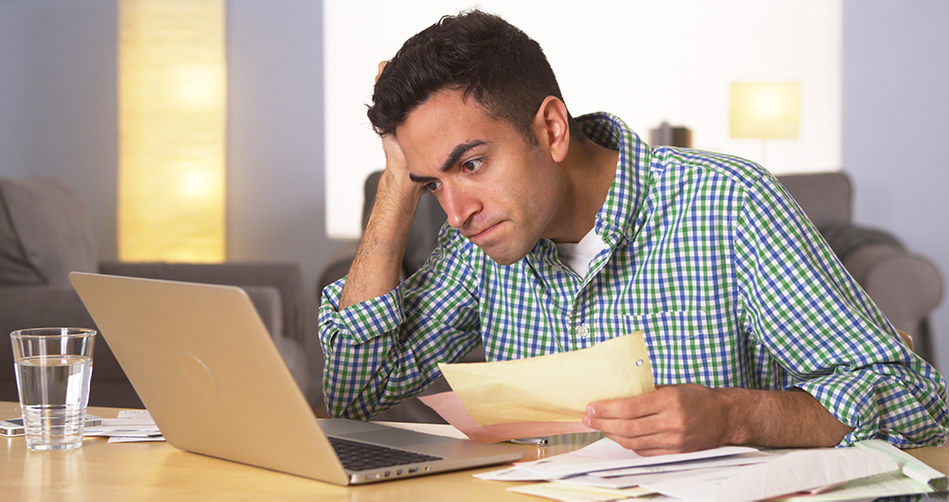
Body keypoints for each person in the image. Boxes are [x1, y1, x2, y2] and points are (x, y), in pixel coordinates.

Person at [319, 9, 948, 455]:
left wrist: (734, 415)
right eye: (435, 183)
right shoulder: (476, 243)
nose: (455, 212)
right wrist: (398, 185)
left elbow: (918, 403)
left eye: (472, 164)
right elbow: (356, 392)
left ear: (552, 129)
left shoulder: (729, 204)